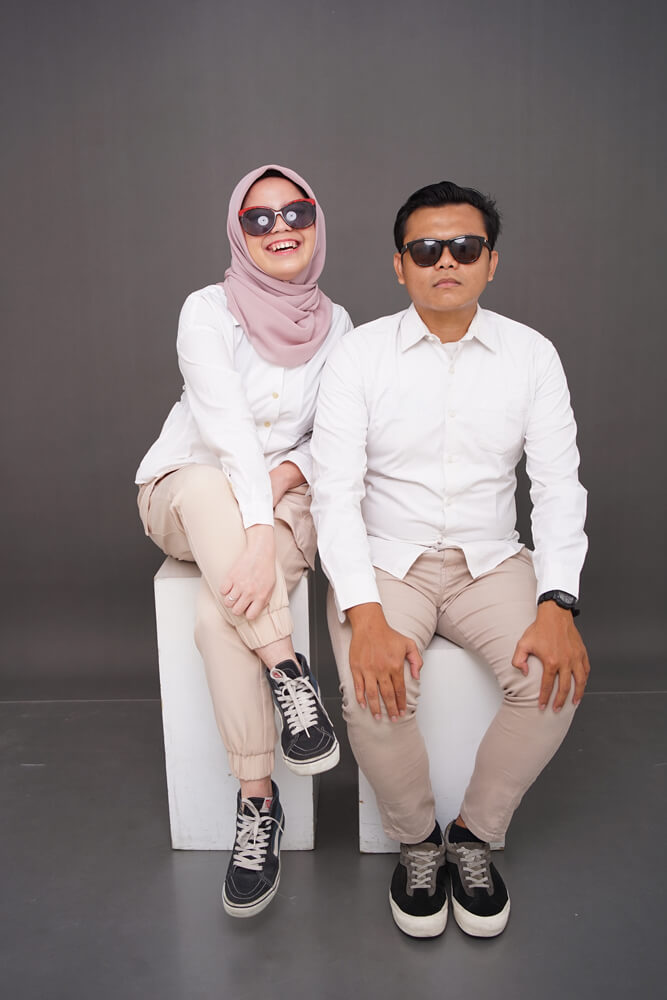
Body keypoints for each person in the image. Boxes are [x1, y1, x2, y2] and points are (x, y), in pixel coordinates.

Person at [311, 180, 589, 939]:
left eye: (464, 248)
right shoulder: (358, 355)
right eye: (426, 249)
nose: (445, 262)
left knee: (553, 681)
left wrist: (557, 601)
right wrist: (363, 611)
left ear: (490, 262)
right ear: (399, 265)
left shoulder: (531, 355)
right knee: (372, 692)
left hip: (489, 562)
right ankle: (416, 843)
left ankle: (471, 835)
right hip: (386, 560)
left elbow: (558, 487)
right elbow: (333, 494)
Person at [135, 164, 352, 918]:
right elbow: (223, 432)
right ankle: (290, 671)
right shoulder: (207, 310)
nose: (279, 228)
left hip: (286, 502)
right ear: (238, 233)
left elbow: (336, 438)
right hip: (182, 494)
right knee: (206, 486)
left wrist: (282, 487)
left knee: (215, 617)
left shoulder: (339, 326)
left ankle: (257, 803)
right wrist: (257, 534)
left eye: (296, 212)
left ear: (316, 222)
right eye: (258, 218)